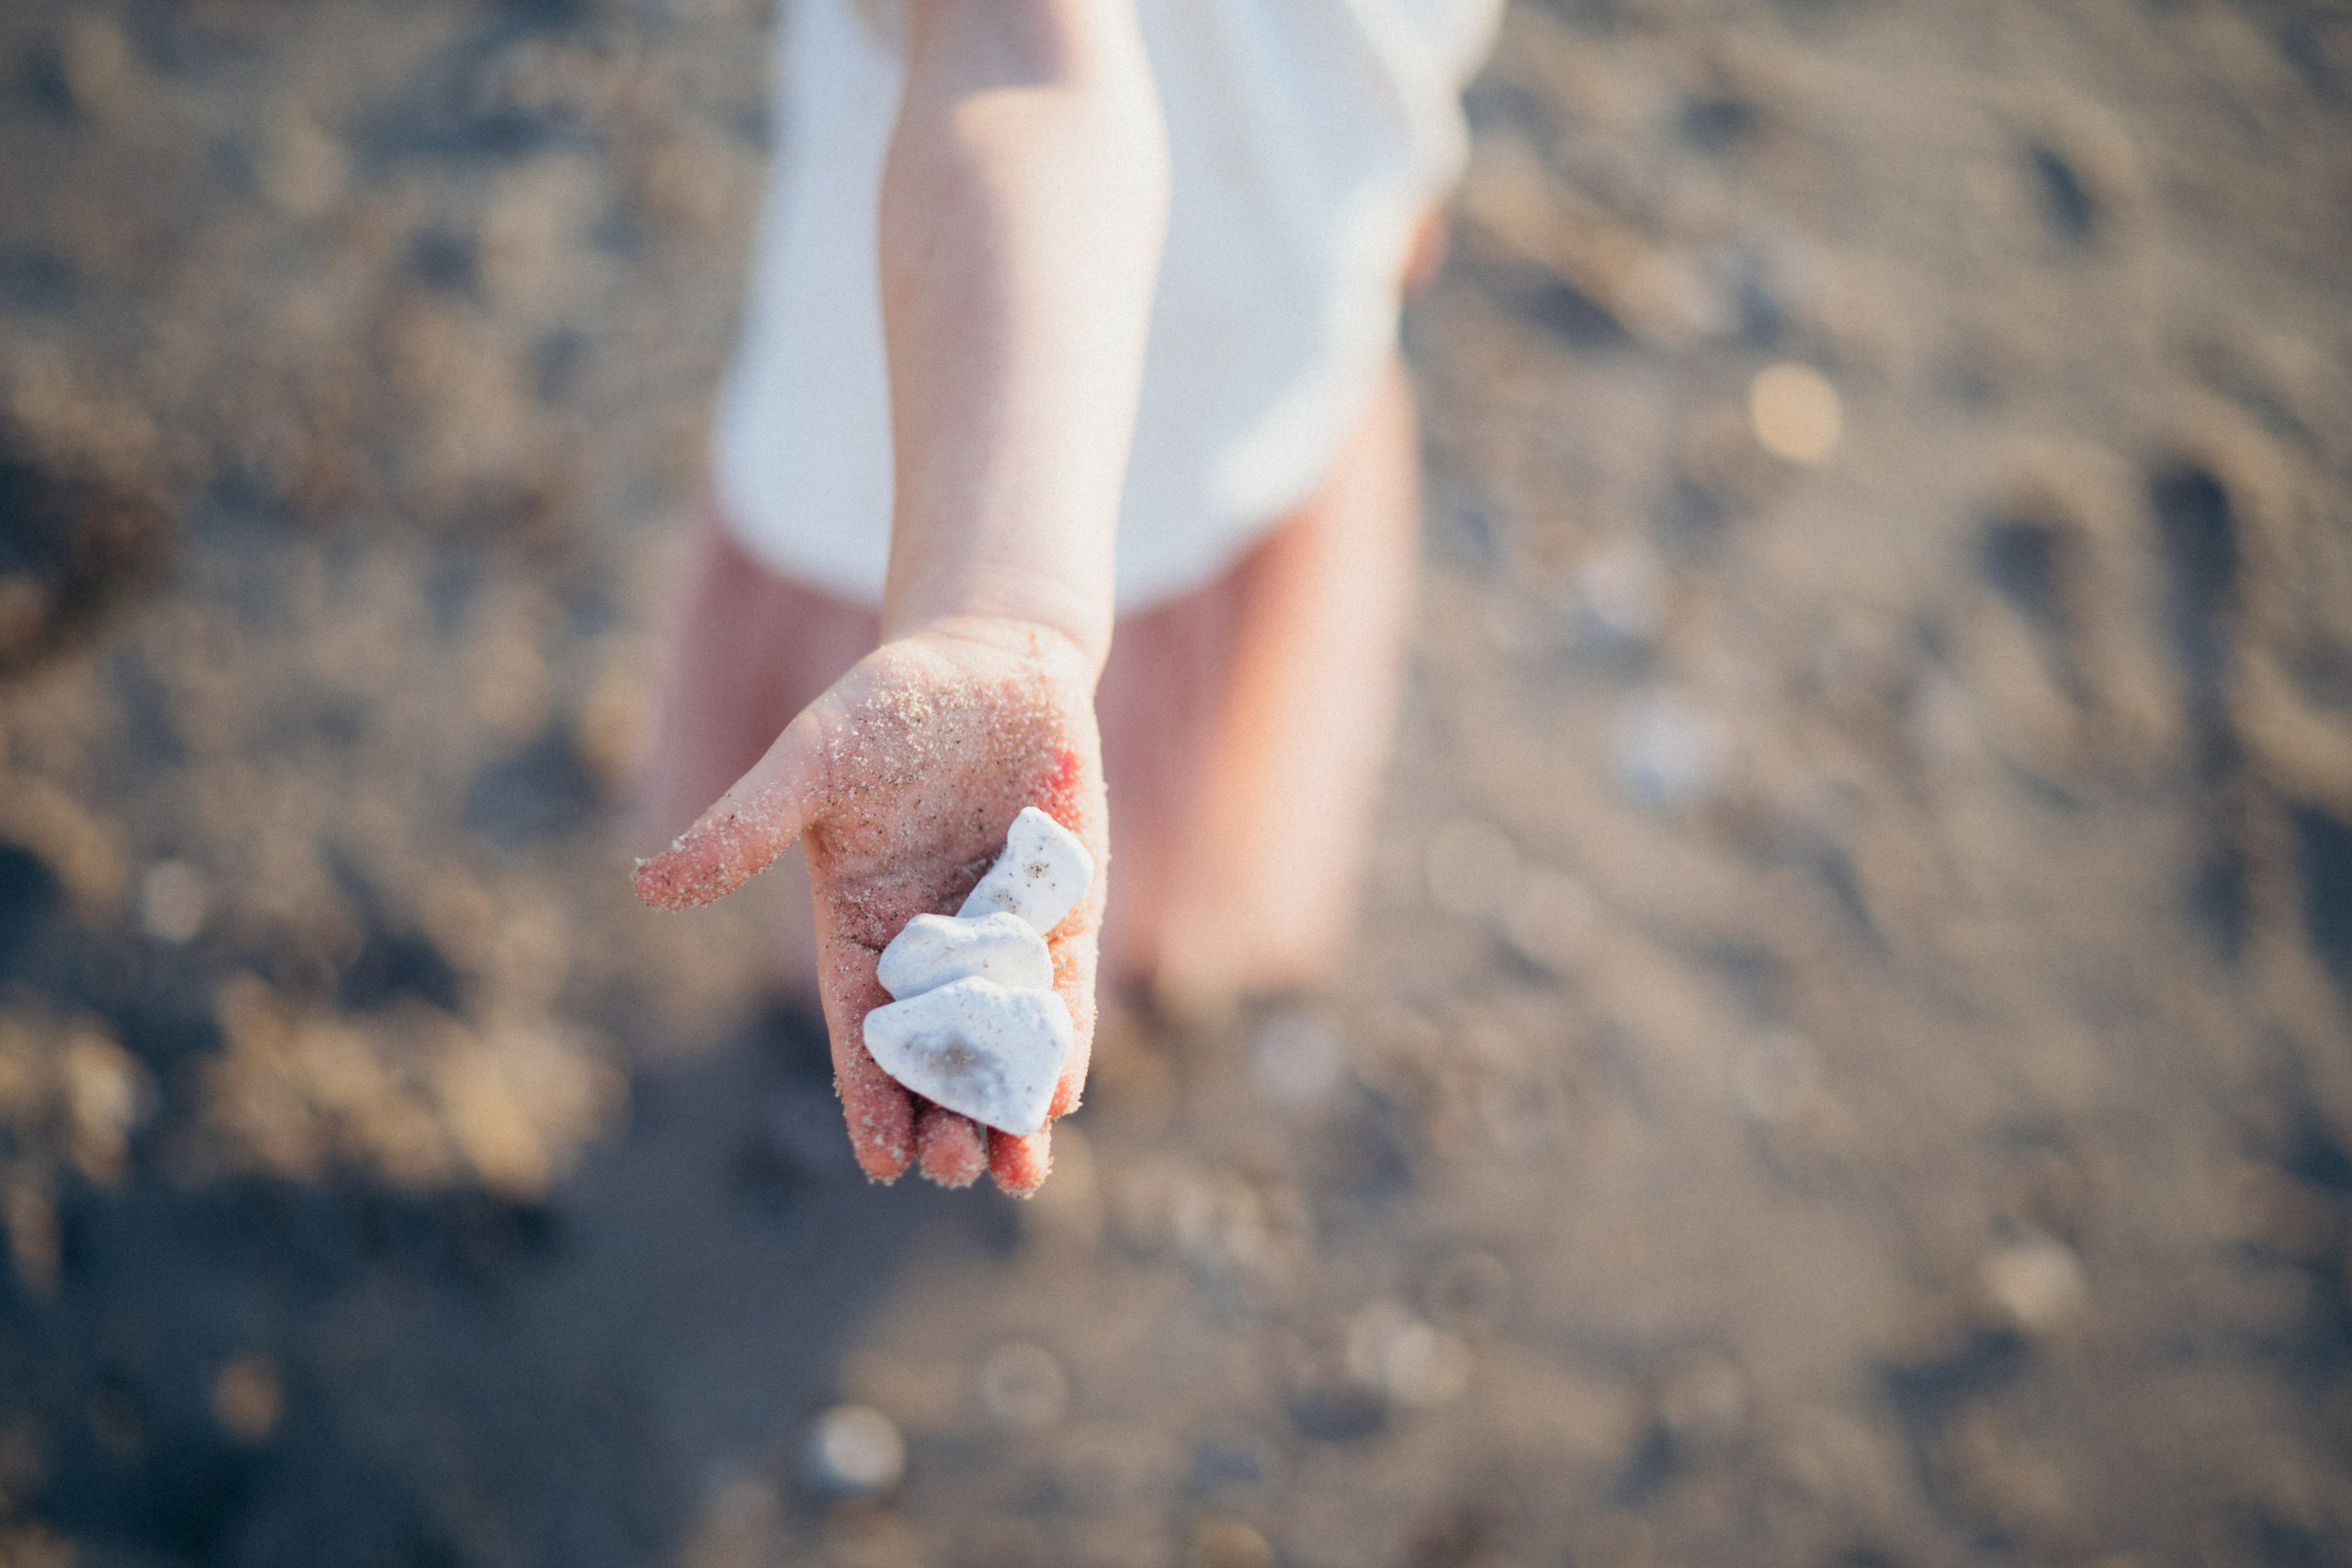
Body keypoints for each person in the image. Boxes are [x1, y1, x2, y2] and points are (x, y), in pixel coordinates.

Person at [632, 0, 1499, 1195]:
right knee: (940, 778)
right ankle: (899, 973)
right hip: (971, 374)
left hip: (1283, 253)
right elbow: (1017, 59)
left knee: (1169, 699)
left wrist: (1404, 158)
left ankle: (1115, 947)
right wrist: (995, 611)